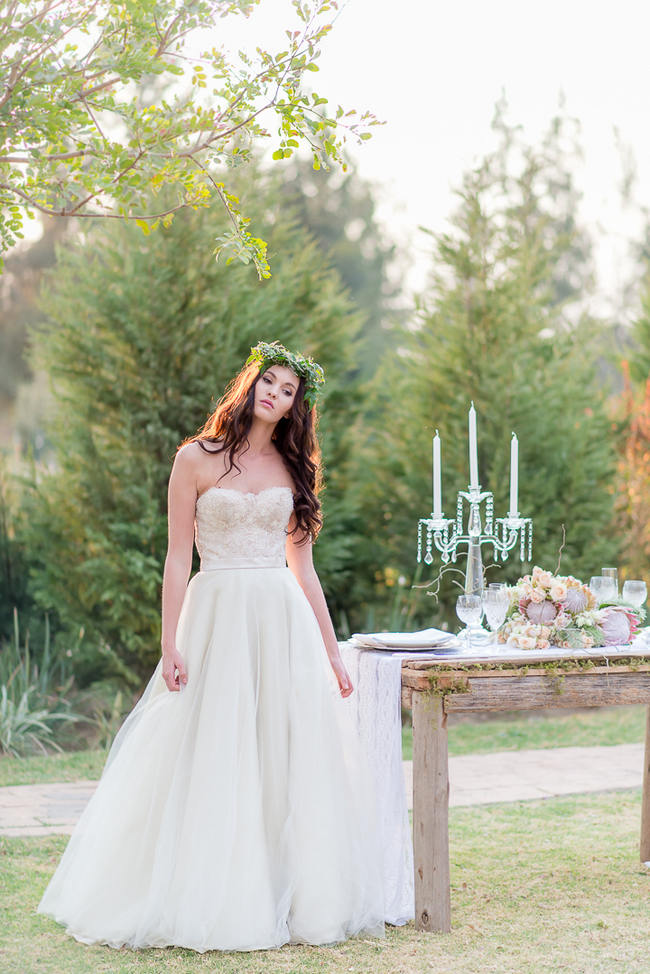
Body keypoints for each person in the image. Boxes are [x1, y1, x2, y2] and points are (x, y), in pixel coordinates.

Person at [37, 340, 386, 952]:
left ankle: (290, 892)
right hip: (217, 614)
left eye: (288, 391)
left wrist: (332, 652)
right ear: (250, 386)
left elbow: (304, 570)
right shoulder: (194, 460)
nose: (274, 395)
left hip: (281, 622)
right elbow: (177, 559)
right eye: (268, 382)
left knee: (283, 753)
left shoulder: (293, 471)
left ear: (295, 406)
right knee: (213, 748)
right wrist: (168, 642)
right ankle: (208, 893)